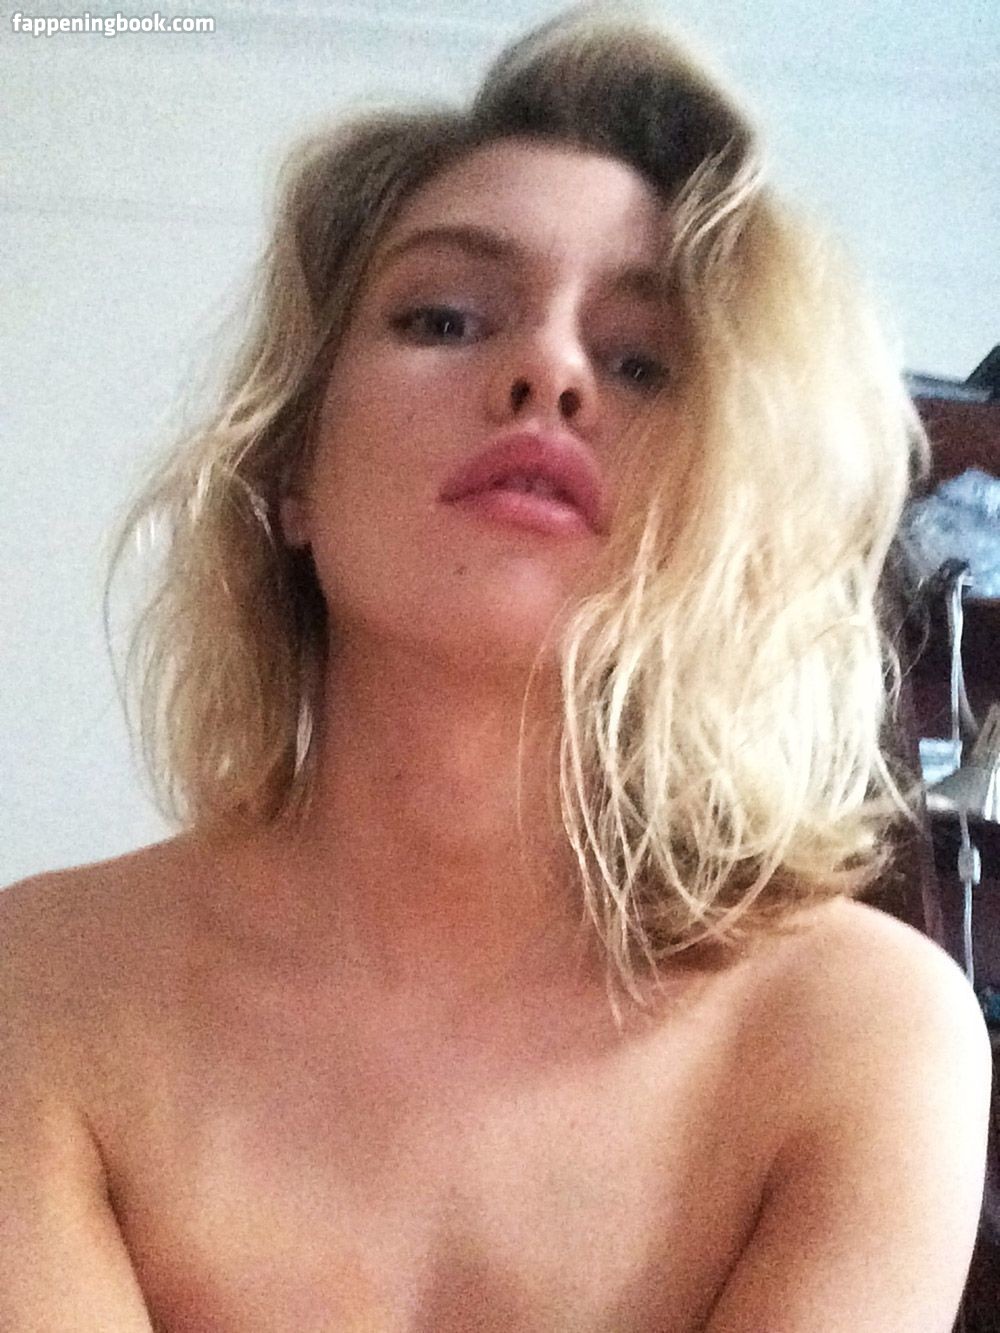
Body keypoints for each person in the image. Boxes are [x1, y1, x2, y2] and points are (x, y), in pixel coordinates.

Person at [1, 7, 992, 1330]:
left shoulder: (866, 1031)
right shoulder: (36, 990)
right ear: (291, 470)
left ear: (719, 510)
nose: (547, 370)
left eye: (643, 361)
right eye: (446, 317)